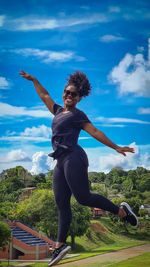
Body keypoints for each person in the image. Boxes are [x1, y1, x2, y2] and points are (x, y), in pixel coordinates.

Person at [20, 70, 138, 267]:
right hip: (60, 161)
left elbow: (94, 131)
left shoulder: (78, 115)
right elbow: (44, 95)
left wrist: (116, 147)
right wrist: (34, 80)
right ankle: (60, 246)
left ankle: (122, 211)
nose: (68, 95)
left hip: (74, 157)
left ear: (79, 98)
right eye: (66, 92)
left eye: (73, 94)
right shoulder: (57, 111)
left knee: (83, 199)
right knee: (61, 204)